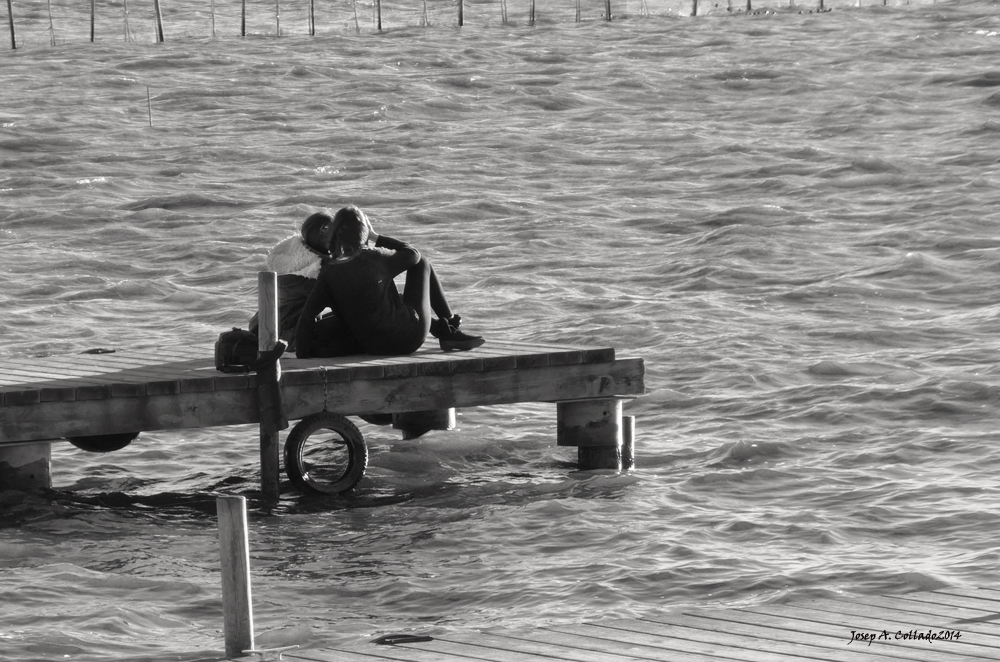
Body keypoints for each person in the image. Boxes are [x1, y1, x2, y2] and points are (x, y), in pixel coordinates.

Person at [295, 205, 484, 358]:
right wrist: (375, 236)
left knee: (395, 297)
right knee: (423, 263)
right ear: (363, 232)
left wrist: (302, 354)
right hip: (409, 339)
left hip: (374, 346)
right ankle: (450, 326)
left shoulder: (328, 272)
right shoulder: (376, 257)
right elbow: (414, 254)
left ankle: (445, 329)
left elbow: (307, 315)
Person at [248, 212, 342, 353]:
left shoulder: (289, 260)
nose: (339, 238)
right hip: (287, 338)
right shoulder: (314, 271)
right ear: (324, 230)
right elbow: (339, 299)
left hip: (263, 329)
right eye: (336, 232)